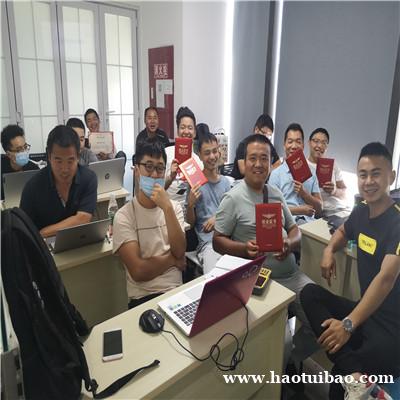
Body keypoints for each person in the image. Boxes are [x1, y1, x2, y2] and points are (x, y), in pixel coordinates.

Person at [300, 142, 399, 400]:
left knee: (337, 381)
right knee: (309, 293)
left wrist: (347, 324)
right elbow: (343, 231)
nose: (368, 181)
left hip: (391, 326)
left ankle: (351, 376)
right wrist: (328, 250)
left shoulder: (398, 222)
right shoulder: (361, 211)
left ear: (391, 177)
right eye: (363, 174)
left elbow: (386, 278)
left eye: (376, 173)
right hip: (366, 312)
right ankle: (355, 376)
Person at [213, 134, 318, 361]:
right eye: (253, 158)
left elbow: (295, 230)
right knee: (280, 344)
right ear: (244, 162)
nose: (259, 164)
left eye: (264, 158)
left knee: (324, 323)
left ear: (271, 163)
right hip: (261, 282)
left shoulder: (276, 194)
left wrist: (289, 243)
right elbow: (217, 241)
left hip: (292, 275)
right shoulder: (233, 198)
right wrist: (243, 249)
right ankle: (279, 367)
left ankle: (288, 363)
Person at [113, 140, 187, 308]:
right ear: (136, 171)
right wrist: (173, 260)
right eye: (148, 166)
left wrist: (167, 208)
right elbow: (138, 271)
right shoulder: (123, 216)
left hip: (176, 292)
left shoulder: (173, 208)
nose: (154, 175)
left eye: (160, 168)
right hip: (143, 297)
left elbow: (180, 251)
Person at [20, 125, 97, 237]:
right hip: (44, 246)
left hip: (77, 241)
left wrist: (41, 233)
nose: (64, 169)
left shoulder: (88, 178)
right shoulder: (32, 187)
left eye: (70, 161)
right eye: (58, 161)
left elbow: (83, 218)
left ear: (78, 157)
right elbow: (23, 230)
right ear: (49, 157)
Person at [186, 132, 231, 273]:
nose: (212, 156)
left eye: (214, 151)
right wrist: (190, 204)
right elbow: (190, 224)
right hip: (208, 244)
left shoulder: (225, 182)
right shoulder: (194, 183)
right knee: (215, 277)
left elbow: (232, 214)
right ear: (199, 155)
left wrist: (217, 217)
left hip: (229, 238)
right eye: (207, 153)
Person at [269, 123, 322, 224]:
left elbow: (320, 208)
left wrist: (305, 194)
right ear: (284, 145)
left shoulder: (311, 172)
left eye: (298, 142)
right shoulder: (276, 174)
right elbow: (271, 209)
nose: (294, 146)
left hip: (310, 223)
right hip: (288, 224)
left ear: (303, 145)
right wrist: (299, 210)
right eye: (290, 142)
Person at [164, 106, 203, 208]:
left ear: (194, 132)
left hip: (189, 210)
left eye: (190, 128)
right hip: (167, 207)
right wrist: (170, 177)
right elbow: (156, 188)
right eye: (182, 127)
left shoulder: (198, 162)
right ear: (177, 131)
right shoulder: (166, 154)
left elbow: (200, 193)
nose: (186, 131)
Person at [307, 127, 349, 217]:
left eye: (324, 142)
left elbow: (344, 193)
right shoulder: (303, 166)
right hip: (319, 212)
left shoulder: (333, 165)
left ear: (327, 146)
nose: (319, 146)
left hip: (339, 209)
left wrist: (334, 191)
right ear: (309, 143)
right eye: (316, 141)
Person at [230, 114, 281, 180]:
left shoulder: (268, 146)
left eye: (269, 136)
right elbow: (243, 170)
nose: (266, 138)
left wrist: (266, 170)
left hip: (260, 182)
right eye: (264, 133)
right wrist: (264, 170)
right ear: (256, 130)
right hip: (240, 181)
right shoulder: (243, 145)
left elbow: (278, 163)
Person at [1, 124, 39, 200]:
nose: (24, 151)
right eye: (19, 150)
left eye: (25, 147)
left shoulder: (34, 169)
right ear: (8, 154)